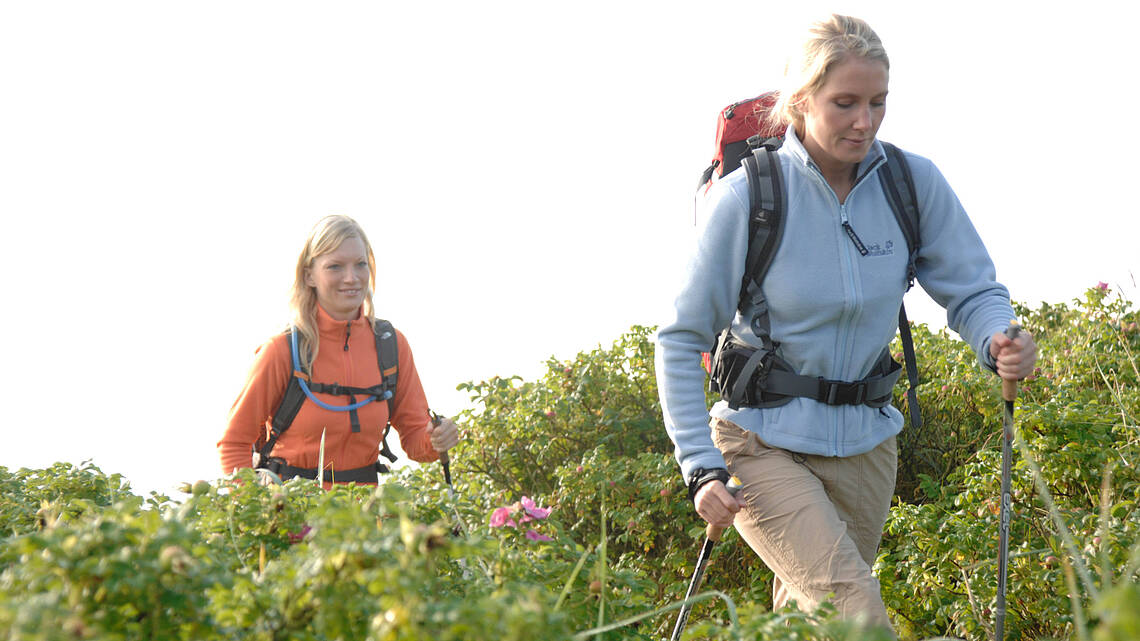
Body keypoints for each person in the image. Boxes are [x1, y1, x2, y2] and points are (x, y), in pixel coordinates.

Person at [655, 14, 1037, 631]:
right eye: (846, 103)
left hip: (868, 447)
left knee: (810, 624)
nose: (866, 121)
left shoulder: (912, 184)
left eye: (878, 103)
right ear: (801, 102)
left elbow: (973, 289)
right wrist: (699, 465)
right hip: (760, 445)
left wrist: (999, 337)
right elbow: (679, 339)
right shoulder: (748, 199)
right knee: (855, 615)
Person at [218, 215, 459, 484]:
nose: (351, 278)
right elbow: (233, 444)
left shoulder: (391, 346)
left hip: (365, 519)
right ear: (309, 275)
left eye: (360, 264)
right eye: (335, 267)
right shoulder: (281, 351)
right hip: (291, 517)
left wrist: (437, 438)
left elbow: (416, 440)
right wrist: (253, 515)